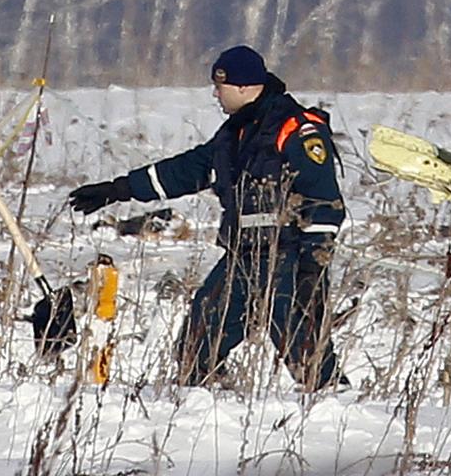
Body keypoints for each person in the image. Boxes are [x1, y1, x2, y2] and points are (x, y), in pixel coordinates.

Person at [68, 45, 346, 391]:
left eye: (221, 86)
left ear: (245, 86)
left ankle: (335, 407)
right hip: (242, 258)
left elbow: (324, 200)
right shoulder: (234, 134)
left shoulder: (295, 129)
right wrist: (120, 188)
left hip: (287, 257)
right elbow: (186, 170)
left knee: (305, 349)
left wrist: (312, 266)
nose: (215, 94)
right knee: (197, 341)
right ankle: (199, 403)